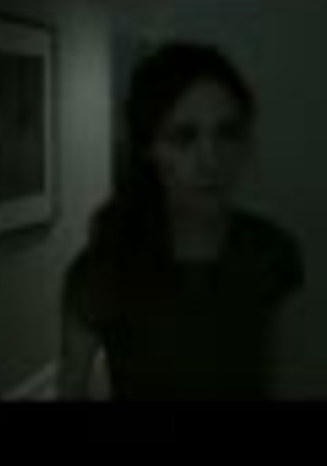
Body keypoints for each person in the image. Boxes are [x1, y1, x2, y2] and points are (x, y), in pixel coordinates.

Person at [58, 42, 304, 401]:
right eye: (184, 137)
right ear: (149, 149)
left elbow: (280, 380)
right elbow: (71, 388)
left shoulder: (270, 253)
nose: (211, 159)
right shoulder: (102, 270)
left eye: (227, 133)